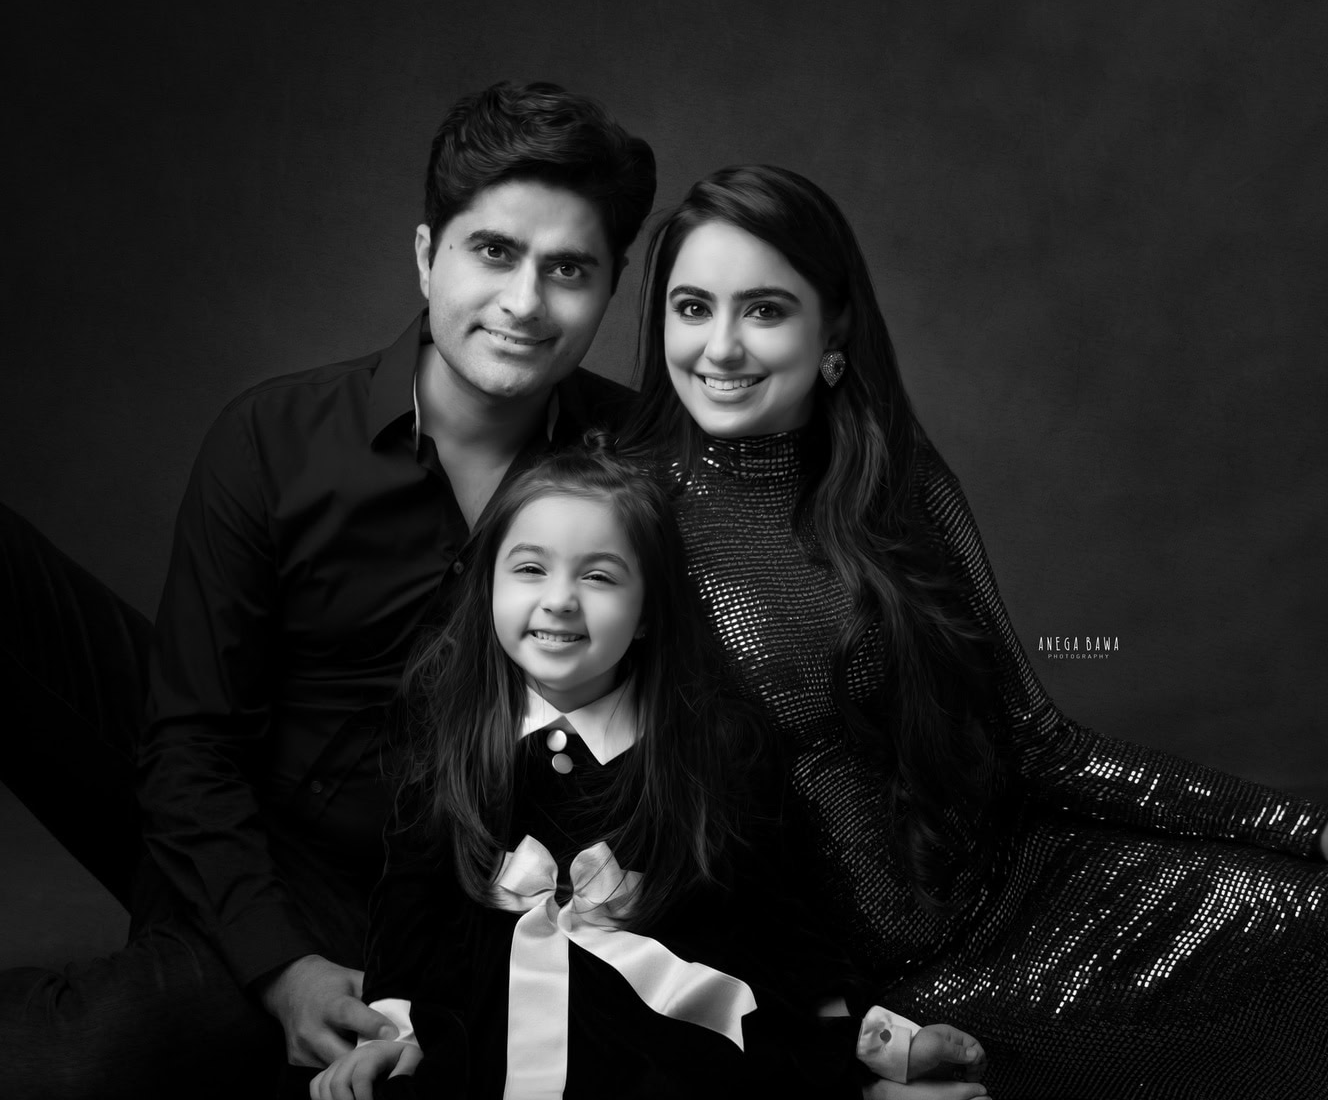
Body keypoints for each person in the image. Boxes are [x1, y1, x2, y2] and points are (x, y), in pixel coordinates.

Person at [0, 81, 654, 1099]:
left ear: (610, 289)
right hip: (232, 810)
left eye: (568, 270)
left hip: (401, 902)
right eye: (493, 251)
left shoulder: (639, 467)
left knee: (88, 1060)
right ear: (424, 255)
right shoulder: (271, 438)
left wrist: (301, 967)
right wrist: (274, 960)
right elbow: (187, 743)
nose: (525, 302)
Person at [623, 164, 1328, 1099]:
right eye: (691, 307)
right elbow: (666, 842)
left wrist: (1303, 826)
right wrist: (832, 1045)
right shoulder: (630, 519)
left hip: (1040, 871)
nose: (720, 347)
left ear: (833, 331)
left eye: (763, 310)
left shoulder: (894, 478)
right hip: (890, 987)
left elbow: (1041, 741)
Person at [309, 443, 991, 1100]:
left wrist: (866, 1036)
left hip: (653, 1015)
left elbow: (778, 915)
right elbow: (410, 899)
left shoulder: (715, 742)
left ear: (645, 615)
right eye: (529, 569)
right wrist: (388, 1027)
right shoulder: (448, 722)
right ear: (488, 584)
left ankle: (866, 1080)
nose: (560, 600)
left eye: (599, 576)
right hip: (484, 1003)